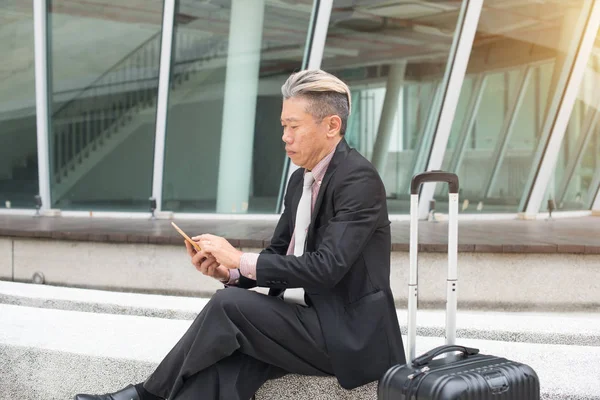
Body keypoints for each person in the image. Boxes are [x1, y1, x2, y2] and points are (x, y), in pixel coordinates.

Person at [74, 69, 405, 400]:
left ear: (332, 126)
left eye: (294, 126)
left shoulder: (357, 179)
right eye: (283, 126)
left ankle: (145, 396)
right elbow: (278, 254)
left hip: (345, 334)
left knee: (228, 305)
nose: (285, 137)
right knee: (219, 373)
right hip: (298, 321)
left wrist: (240, 259)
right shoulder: (298, 181)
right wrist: (228, 271)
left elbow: (326, 268)